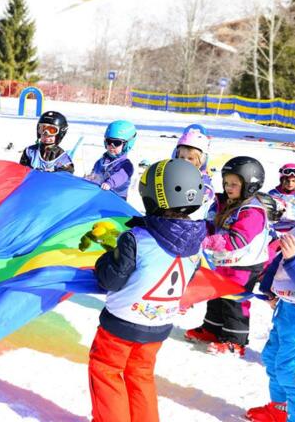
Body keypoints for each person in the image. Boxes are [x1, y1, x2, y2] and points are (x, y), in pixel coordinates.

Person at [86, 159, 207, 422]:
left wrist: (106, 258)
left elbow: (110, 280)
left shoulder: (137, 238)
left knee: (107, 371)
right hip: (159, 325)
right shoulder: (197, 243)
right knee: (140, 374)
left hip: (121, 325)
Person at [248, 169, 295, 422]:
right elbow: (280, 260)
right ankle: (280, 410)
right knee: (274, 358)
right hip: (287, 308)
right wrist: (268, 287)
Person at [185, 156, 273, 357]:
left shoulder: (253, 211)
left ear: (250, 186)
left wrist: (208, 241)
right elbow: (210, 225)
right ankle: (213, 329)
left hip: (244, 265)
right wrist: (196, 232)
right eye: (226, 183)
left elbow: (237, 240)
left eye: (234, 184)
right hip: (223, 261)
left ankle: (236, 340)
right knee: (216, 294)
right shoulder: (224, 203)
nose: (228, 187)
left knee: (234, 300)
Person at [170, 124, 214, 218]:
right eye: (182, 157)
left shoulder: (202, 179)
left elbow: (208, 192)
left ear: (201, 161)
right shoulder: (173, 173)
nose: (185, 161)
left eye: (190, 158)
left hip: (193, 221)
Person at [84, 120, 136, 199]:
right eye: (109, 141)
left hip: (116, 199)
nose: (112, 146)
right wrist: (90, 178)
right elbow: (95, 175)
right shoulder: (101, 162)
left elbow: (121, 176)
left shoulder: (126, 165)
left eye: (117, 143)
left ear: (127, 145)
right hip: (99, 195)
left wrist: (110, 183)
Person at [267, 163, 295, 233]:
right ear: (282, 180)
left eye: (293, 181)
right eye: (287, 181)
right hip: (276, 229)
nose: (290, 184)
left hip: (294, 229)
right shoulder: (274, 194)